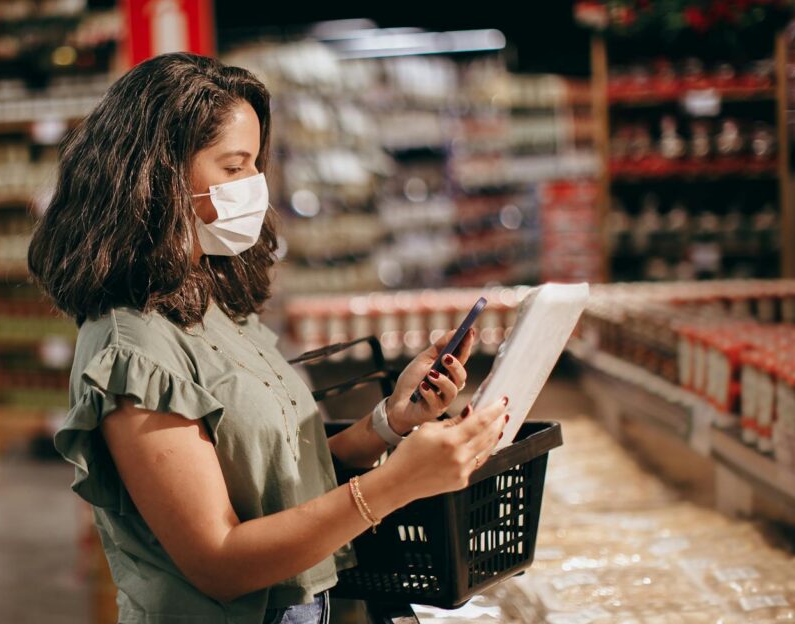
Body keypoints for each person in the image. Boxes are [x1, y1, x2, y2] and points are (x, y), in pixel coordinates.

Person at [28, 52, 510, 624]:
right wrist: (397, 485)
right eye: (233, 168)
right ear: (156, 177)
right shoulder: (131, 350)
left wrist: (389, 423)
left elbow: (275, 480)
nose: (255, 187)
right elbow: (220, 561)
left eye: (256, 165)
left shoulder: (210, 306)